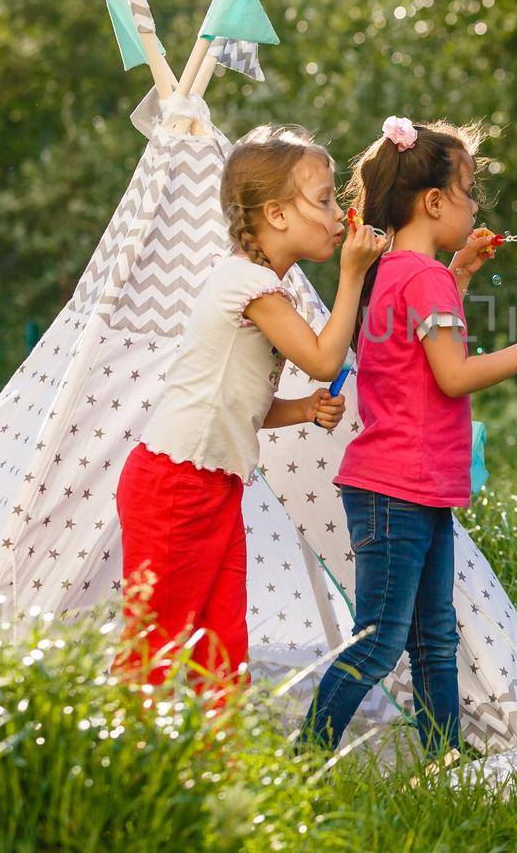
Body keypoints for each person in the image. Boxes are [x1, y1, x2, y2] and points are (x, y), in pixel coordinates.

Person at [300, 116, 517, 758]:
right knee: (381, 642)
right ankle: (305, 760)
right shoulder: (424, 278)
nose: (477, 204)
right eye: (470, 188)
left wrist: (461, 271)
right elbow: (450, 376)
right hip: (401, 489)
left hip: (408, 489)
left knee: (433, 639)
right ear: (433, 201)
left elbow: (417, 357)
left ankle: (446, 761)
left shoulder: (400, 271)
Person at [115, 124, 387, 698]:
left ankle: (220, 772)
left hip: (211, 484)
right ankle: (124, 767)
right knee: (157, 646)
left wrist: (304, 410)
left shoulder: (259, 285)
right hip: (176, 484)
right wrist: (352, 274)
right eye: (324, 200)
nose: (338, 214)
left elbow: (239, 405)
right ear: (277, 216)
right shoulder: (251, 285)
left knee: (221, 646)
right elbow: (321, 357)